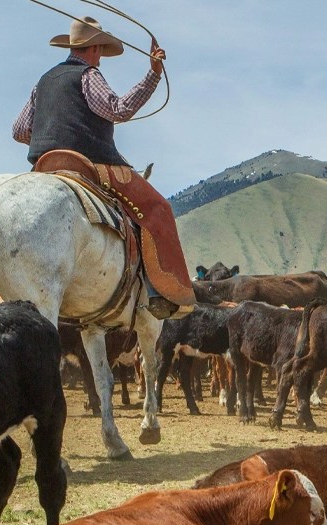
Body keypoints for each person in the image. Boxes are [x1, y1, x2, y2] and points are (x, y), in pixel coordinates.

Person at [13, 16, 195, 319]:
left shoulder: (42, 82)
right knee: (157, 208)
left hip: (44, 167)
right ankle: (164, 293)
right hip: (90, 163)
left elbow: (19, 131)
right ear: (95, 48)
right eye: (101, 50)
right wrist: (153, 74)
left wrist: (54, 131)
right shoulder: (88, 75)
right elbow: (118, 109)